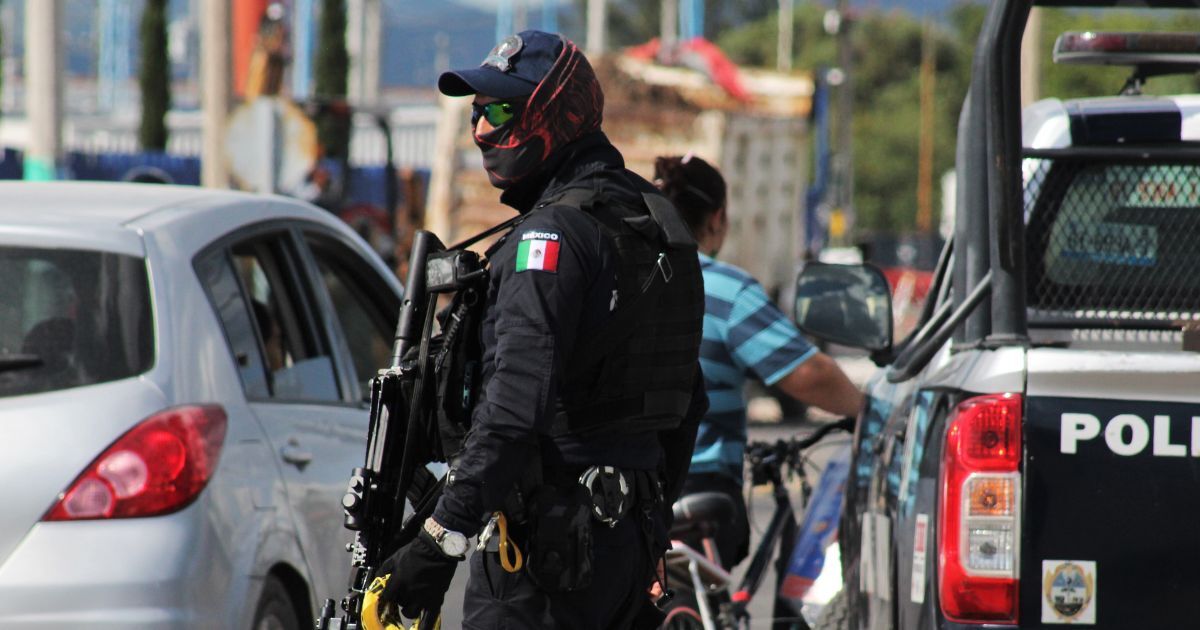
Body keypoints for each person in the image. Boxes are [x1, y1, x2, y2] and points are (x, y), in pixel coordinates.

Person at [376, 30, 708, 630]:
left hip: (545, 562)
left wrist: (438, 541)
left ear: (557, 112)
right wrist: (650, 530)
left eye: (501, 111)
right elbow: (688, 400)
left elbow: (510, 413)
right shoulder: (657, 224)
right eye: (477, 112)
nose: (482, 130)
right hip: (621, 555)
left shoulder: (548, 240)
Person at [653, 154, 864, 570]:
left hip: (614, 489)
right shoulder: (725, 289)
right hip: (700, 488)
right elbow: (807, 374)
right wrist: (867, 410)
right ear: (717, 220)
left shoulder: (616, 278)